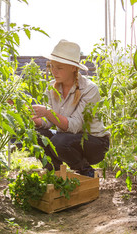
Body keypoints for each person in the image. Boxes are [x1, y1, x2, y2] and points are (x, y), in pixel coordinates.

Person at [31, 39, 110, 178]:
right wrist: (30, 115)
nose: (54, 71)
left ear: (73, 68)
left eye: (59, 68)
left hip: (94, 144)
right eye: (52, 66)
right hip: (68, 139)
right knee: (37, 135)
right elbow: (47, 123)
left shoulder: (89, 89)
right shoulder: (51, 87)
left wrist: (47, 112)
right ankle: (54, 172)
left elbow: (74, 126)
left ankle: (86, 171)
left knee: (58, 141)